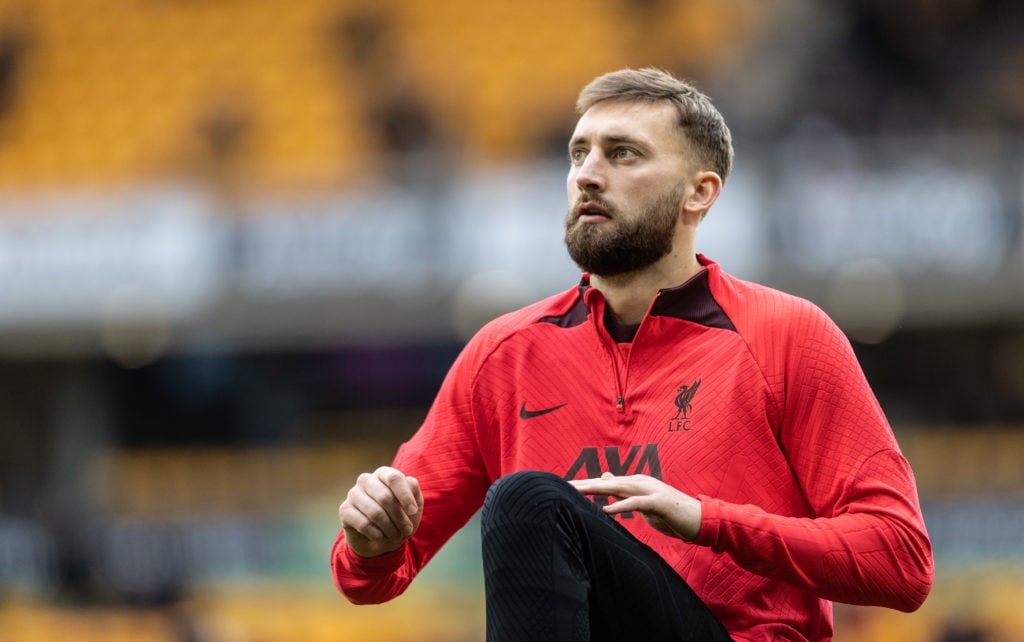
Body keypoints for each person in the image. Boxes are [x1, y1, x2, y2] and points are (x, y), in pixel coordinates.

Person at [331, 67, 934, 641]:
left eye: (623, 153)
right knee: (528, 503)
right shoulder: (503, 353)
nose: (588, 175)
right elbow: (369, 576)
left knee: (528, 499)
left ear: (699, 193)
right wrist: (371, 539)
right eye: (578, 154)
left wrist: (707, 520)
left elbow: (902, 561)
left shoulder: (786, 335)